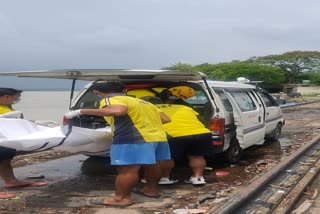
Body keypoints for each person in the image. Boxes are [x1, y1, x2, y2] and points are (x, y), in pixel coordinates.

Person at [64, 82, 171, 207]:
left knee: (127, 169)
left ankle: (121, 199)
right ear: (124, 90)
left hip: (133, 138)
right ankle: (151, 190)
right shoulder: (143, 102)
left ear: (97, 92)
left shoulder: (111, 99)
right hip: (157, 137)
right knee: (152, 165)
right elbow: (165, 119)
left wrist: (81, 111)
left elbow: (119, 111)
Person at [145, 86, 212, 185]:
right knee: (196, 156)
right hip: (201, 133)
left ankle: (165, 178)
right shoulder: (185, 107)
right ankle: (198, 178)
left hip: (175, 134)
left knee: (166, 157)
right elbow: (201, 120)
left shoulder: (154, 109)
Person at [0, 88, 47, 199]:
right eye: (15, 98)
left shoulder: (6, 106)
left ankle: (11, 181)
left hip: (5, 139)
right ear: (6, 96)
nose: (16, 100)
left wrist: (34, 123)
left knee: (5, 158)